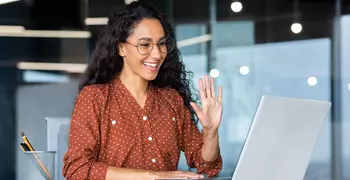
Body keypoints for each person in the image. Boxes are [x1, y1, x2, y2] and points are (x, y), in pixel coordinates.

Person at [62, 1, 223, 180]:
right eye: (145, 45)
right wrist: (151, 175)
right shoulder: (94, 98)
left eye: (161, 44)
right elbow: (77, 169)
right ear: (121, 48)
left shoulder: (172, 100)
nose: (156, 54)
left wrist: (210, 131)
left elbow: (208, 166)